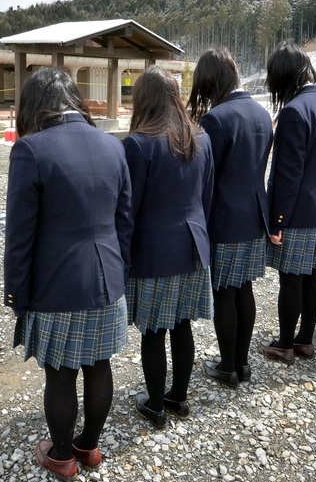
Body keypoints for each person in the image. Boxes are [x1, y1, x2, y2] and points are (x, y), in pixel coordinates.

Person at [3, 68, 132, 479]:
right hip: (107, 278)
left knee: (60, 373)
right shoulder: (112, 146)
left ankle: (60, 455)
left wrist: (16, 294)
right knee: (100, 365)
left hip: (57, 282)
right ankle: (89, 447)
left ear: (33, 106)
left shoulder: (31, 150)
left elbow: (19, 235)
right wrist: (119, 274)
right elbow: (125, 223)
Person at [125, 66, 214, 426]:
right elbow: (205, 197)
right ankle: (179, 396)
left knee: (153, 329)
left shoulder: (138, 143)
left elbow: (128, 208)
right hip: (193, 245)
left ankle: (157, 406)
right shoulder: (200, 138)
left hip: (154, 250)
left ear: (143, 99)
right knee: (182, 325)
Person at [187, 48, 272, 385]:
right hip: (255, 216)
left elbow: (207, 179)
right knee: (244, 290)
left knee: (224, 292)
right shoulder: (262, 113)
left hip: (225, 219)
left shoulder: (216, 118)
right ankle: (242, 362)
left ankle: (228, 367)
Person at [257, 42, 316, 362]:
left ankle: (285, 345)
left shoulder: (293, 111)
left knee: (290, 279)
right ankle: (305, 340)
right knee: (311, 277)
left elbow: (286, 175)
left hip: (295, 214)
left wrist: (277, 220)